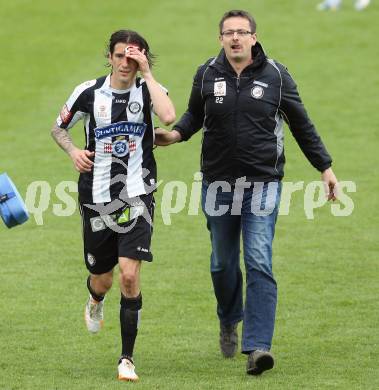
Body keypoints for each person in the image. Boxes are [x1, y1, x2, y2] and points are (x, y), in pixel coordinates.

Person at [154, 10, 338, 376]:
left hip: (263, 183)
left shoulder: (276, 75)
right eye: (228, 33)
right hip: (217, 184)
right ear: (220, 38)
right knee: (222, 263)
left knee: (258, 260)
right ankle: (229, 320)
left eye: (242, 32)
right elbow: (193, 115)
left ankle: (257, 348)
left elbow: (301, 123)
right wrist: (175, 136)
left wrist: (325, 167)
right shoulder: (207, 73)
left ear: (254, 37)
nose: (235, 38)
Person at [51, 29, 175, 381]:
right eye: (120, 55)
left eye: (133, 56)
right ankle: (94, 301)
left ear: (142, 59)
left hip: (138, 192)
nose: (125, 62)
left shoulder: (148, 89)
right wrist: (74, 150)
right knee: (102, 279)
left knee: (130, 273)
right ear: (109, 57)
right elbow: (58, 128)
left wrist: (148, 73)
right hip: (96, 195)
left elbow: (167, 116)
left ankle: (126, 359)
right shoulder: (88, 92)